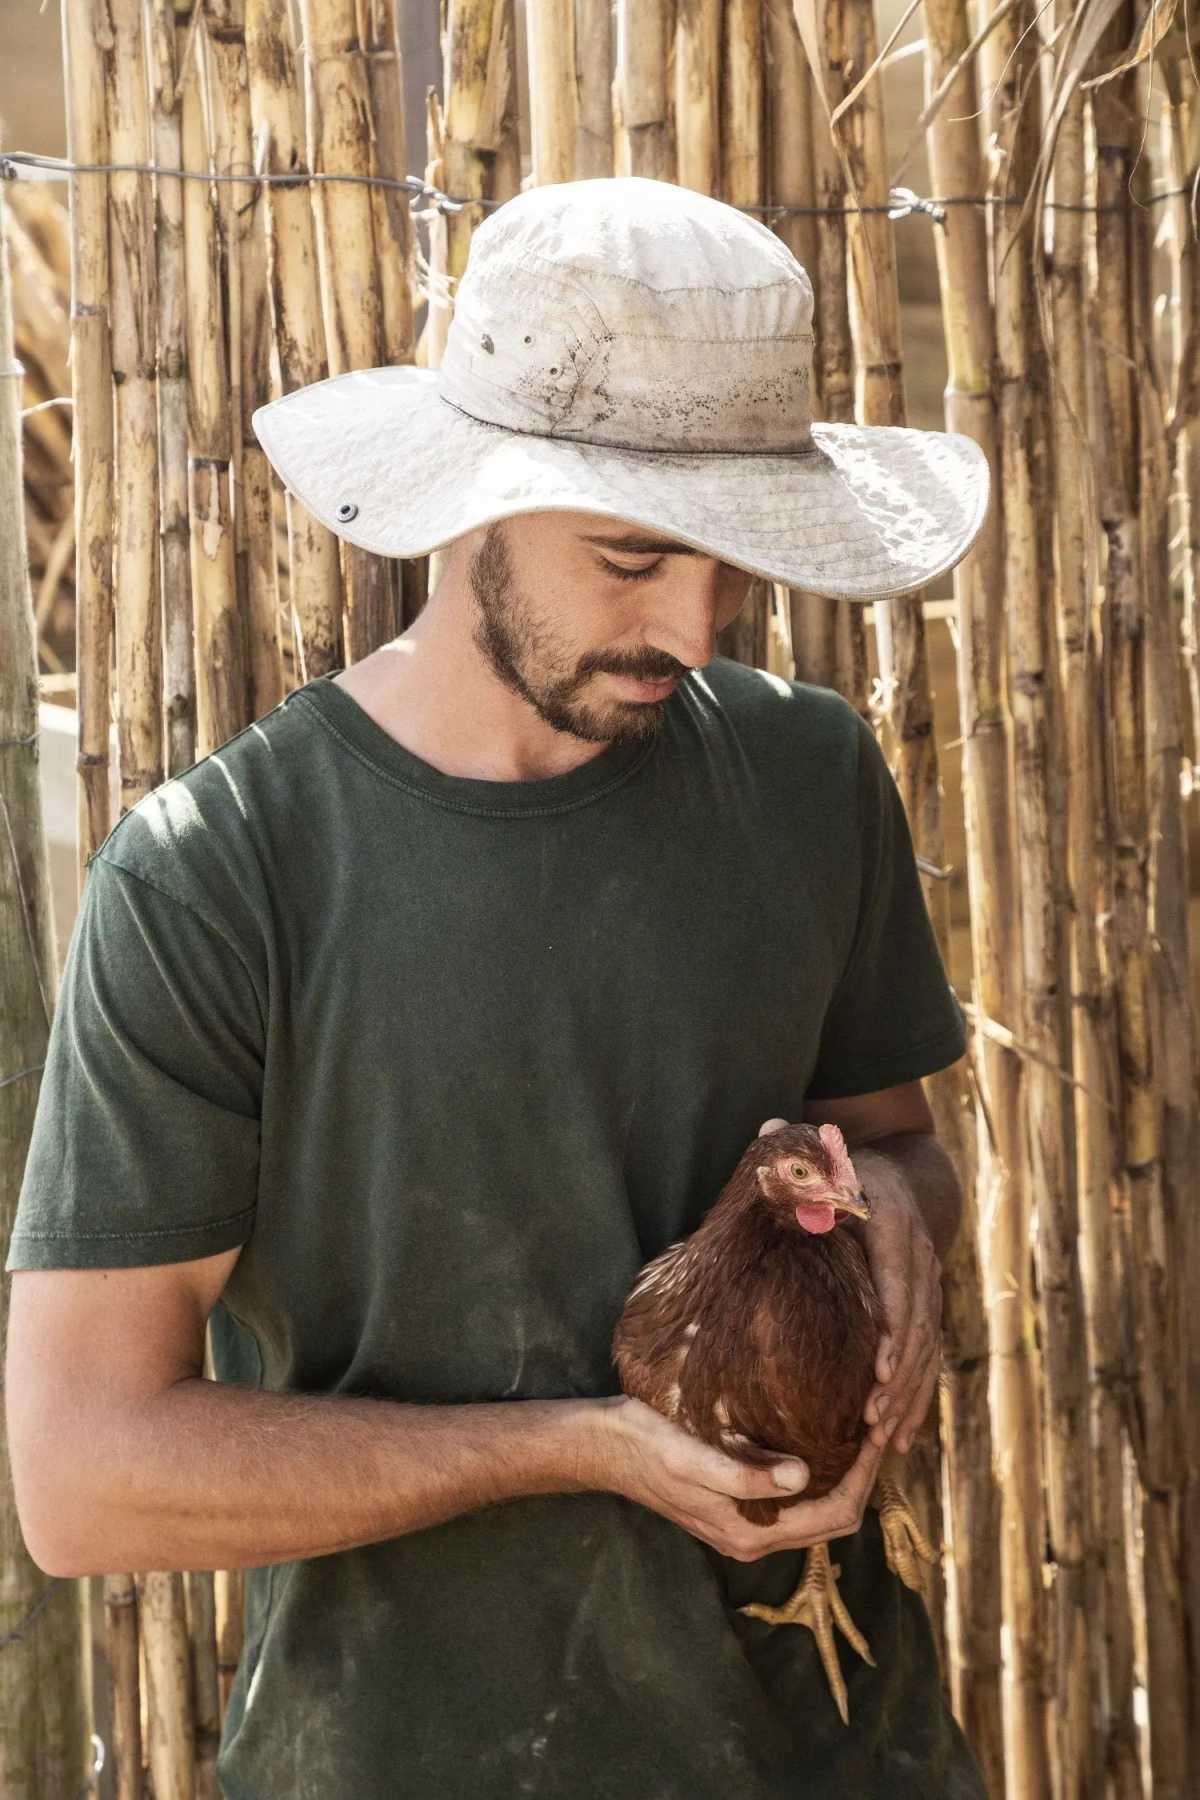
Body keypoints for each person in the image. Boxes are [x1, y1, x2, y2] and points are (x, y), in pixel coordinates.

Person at [6, 178, 989, 1797]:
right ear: (476, 502)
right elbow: (86, 1477)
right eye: (632, 556)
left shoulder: (812, 780)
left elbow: (899, 1143)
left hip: (838, 1753)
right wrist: (578, 1450)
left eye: (734, 564)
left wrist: (894, 1211)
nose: (697, 627)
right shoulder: (218, 881)